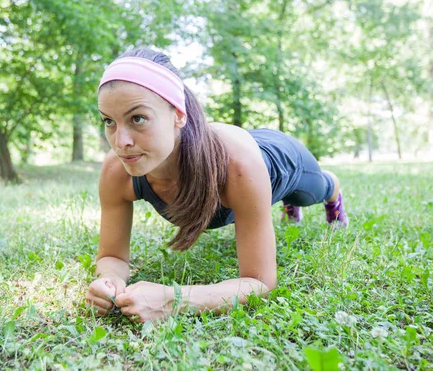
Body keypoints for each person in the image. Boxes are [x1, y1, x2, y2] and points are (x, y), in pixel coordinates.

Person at [85, 48, 348, 323]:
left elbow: (260, 282)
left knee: (312, 192)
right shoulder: (117, 168)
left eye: (137, 118)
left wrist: (173, 299)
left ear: (178, 114)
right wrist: (109, 281)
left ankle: (329, 188)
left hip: (280, 159)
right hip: (243, 168)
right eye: (109, 121)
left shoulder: (238, 165)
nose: (120, 141)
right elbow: (112, 256)